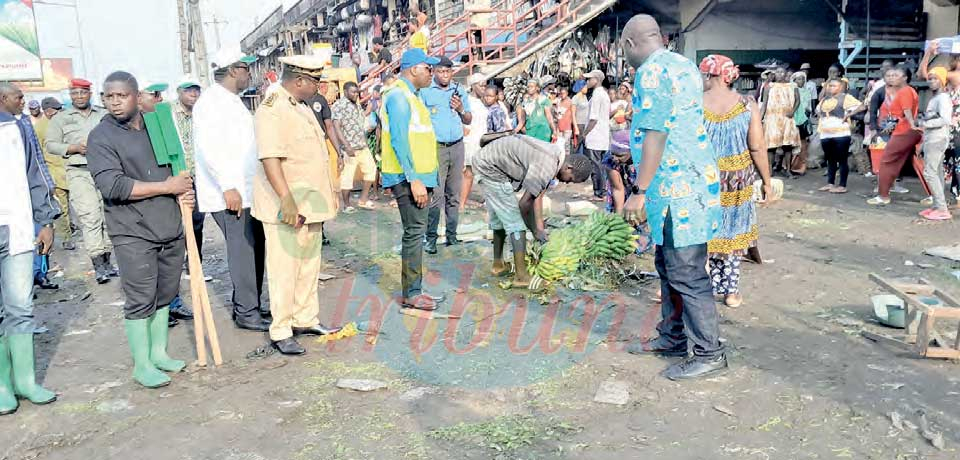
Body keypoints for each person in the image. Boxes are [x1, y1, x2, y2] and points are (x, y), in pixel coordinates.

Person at [620, 15, 727, 380]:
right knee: (668, 265)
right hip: (689, 183)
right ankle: (672, 338)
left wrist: (639, 190)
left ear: (631, 44)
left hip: (676, 190)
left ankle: (709, 352)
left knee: (687, 271)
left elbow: (656, 133)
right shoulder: (682, 65)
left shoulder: (650, 72)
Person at [86, 72, 192, 389]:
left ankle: (159, 353)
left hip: (169, 223)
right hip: (132, 228)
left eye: (122, 95)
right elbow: (112, 185)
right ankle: (142, 364)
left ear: (137, 96)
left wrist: (183, 188)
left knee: (165, 293)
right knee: (140, 296)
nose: (115, 102)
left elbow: (177, 164)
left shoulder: (156, 125)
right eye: (109, 96)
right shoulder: (101, 137)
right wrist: (166, 186)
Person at [256, 56, 344, 355]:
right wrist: (287, 200)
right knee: (284, 269)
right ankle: (281, 329)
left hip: (311, 204)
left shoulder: (302, 106)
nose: (319, 86)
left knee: (308, 266)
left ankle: (304, 318)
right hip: (288, 205)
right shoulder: (274, 108)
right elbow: (270, 158)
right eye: (315, 81)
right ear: (299, 81)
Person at [194, 49, 272, 332]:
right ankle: (246, 312)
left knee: (255, 248)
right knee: (243, 252)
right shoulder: (211, 103)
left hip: (247, 191)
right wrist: (228, 187)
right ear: (233, 70)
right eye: (246, 69)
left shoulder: (231, 101)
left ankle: (251, 303)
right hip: (230, 193)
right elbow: (210, 150)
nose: (249, 74)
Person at [0, 82, 61, 414]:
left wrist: (47, 220)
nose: (21, 102)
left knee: (20, 306)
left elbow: (37, 173)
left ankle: (25, 381)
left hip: (17, 227)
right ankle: (2, 385)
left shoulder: (18, 127)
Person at [700, 54, 774, 308]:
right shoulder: (747, 104)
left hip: (704, 179)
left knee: (704, 232)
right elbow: (757, 146)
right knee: (733, 233)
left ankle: (702, 286)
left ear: (712, 76)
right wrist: (766, 180)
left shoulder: (695, 104)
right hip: (738, 179)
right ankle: (731, 292)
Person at [475, 134, 592, 286]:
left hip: (485, 160)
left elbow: (536, 195)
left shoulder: (554, 154)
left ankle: (498, 265)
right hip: (491, 169)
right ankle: (521, 277)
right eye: (569, 179)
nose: (566, 182)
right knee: (516, 224)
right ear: (569, 167)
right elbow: (524, 205)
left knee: (500, 218)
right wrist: (534, 231)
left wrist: (538, 228)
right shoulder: (548, 165)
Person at [379, 48, 445, 311]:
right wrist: (414, 179)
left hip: (420, 177)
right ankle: (412, 293)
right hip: (410, 179)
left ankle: (415, 289)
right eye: (428, 68)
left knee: (417, 233)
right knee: (414, 233)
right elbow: (398, 140)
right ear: (413, 69)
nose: (431, 73)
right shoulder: (398, 96)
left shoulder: (412, 96)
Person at [46, 78, 118, 283]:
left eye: (83, 93)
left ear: (90, 94)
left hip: (105, 170)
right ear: (70, 95)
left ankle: (108, 262)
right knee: (90, 216)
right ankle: (98, 265)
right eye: (75, 93)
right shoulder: (61, 118)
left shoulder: (103, 114)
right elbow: (51, 145)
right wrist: (73, 148)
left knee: (107, 216)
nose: (79, 97)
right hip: (79, 172)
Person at [419, 56, 472, 253]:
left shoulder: (458, 91)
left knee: (454, 195)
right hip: (436, 147)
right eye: (440, 71)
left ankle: (452, 236)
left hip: (457, 146)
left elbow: (468, 119)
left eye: (447, 72)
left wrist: (460, 109)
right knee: (436, 196)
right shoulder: (425, 92)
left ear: (452, 73)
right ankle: (430, 238)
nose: (444, 75)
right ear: (434, 72)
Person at [868, 66, 920, 205]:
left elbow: (906, 111)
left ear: (905, 78)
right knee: (904, 162)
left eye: (897, 75)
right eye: (891, 75)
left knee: (886, 162)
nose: (893, 77)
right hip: (902, 129)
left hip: (903, 130)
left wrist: (911, 124)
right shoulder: (909, 90)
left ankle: (883, 196)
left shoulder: (905, 91)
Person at [333, 82, 378, 211]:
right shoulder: (339, 105)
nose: (356, 94)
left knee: (371, 170)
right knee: (347, 176)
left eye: (357, 92)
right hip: (350, 148)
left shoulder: (356, 104)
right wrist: (346, 146)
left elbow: (359, 124)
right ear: (345, 91)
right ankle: (347, 205)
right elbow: (336, 126)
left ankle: (363, 199)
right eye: (353, 92)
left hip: (362, 146)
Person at [815, 78, 863, 194]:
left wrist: (850, 114)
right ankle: (830, 183)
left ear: (841, 87)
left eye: (834, 86)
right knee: (830, 159)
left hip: (840, 133)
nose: (831, 88)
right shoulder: (824, 99)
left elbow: (862, 106)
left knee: (842, 159)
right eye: (830, 85)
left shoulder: (845, 98)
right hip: (826, 133)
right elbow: (817, 111)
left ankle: (842, 185)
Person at [918, 67, 953, 220]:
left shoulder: (943, 98)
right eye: (930, 78)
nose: (932, 81)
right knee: (936, 172)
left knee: (929, 172)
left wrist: (925, 124)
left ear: (942, 80)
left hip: (937, 138)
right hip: (931, 138)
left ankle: (942, 208)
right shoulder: (934, 98)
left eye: (935, 78)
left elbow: (945, 120)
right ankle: (937, 206)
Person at [760, 66, 801, 176]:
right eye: (777, 72)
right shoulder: (769, 86)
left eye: (782, 72)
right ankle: (770, 170)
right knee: (771, 146)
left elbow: (798, 100)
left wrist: (793, 111)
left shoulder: (792, 86)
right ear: (774, 74)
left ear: (786, 73)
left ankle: (788, 170)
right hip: (772, 119)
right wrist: (759, 119)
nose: (780, 74)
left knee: (787, 146)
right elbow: (764, 104)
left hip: (787, 118)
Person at [581, 69, 611, 200]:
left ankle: (599, 192)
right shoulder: (604, 94)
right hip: (603, 135)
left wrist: (585, 133)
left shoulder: (597, 95)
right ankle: (603, 191)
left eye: (589, 79)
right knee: (602, 165)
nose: (587, 81)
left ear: (596, 80)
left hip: (595, 135)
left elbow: (593, 118)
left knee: (595, 165)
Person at [462, 73, 488, 212]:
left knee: (475, 173)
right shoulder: (468, 101)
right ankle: (461, 204)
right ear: (473, 86)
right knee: (468, 174)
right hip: (470, 141)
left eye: (485, 85)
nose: (484, 88)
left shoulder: (481, 102)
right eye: (481, 85)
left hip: (480, 141)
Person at [516, 77, 555, 143]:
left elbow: (549, 117)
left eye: (532, 86)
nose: (529, 88)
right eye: (528, 87)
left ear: (537, 88)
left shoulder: (543, 100)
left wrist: (554, 130)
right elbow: (522, 121)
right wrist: (514, 131)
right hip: (531, 133)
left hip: (543, 133)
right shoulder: (525, 103)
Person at [791, 72, 813, 175]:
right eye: (799, 79)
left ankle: (800, 167)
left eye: (803, 79)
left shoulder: (807, 92)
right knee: (792, 144)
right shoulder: (791, 91)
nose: (802, 81)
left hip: (803, 120)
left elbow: (809, 107)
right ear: (794, 81)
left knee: (803, 144)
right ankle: (789, 165)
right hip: (793, 119)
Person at [555, 86, 577, 156]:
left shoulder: (571, 102)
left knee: (566, 145)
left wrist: (575, 127)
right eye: (561, 93)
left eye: (564, 93)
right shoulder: (558, 102)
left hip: (567, 127)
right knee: (559, 145)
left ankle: (566, 160)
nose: (562, 95)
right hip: (559, 126)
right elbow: (557, 115)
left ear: (567, 93)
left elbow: (574, 115)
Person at [571, 80, 589, 153]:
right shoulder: (575, 98)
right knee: (577, 145)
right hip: (579, 124)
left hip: (585, 124)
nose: (586, 88)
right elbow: (573, 113)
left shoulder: (585, 97)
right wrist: (575, 127)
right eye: (585, 86)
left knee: (585, 144)